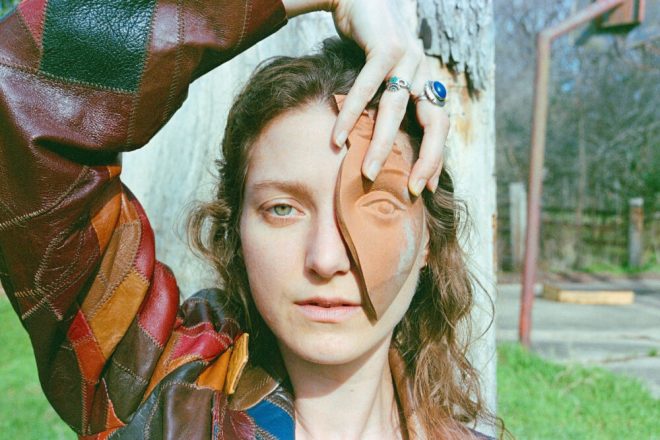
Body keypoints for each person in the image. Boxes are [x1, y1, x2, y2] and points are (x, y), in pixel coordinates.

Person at [0, 0, 497, 438]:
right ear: (235, 229)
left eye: (378, 206)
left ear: (428, 239)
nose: (326, 258)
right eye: (283, 209)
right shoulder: (149, 393)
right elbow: (19, 85)